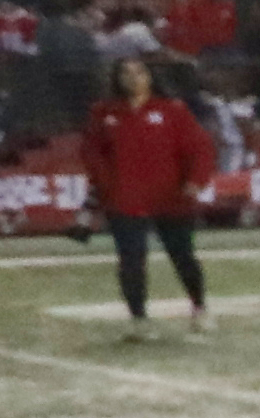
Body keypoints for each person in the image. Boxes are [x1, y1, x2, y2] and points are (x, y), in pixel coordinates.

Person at [78, 47, 215, 328]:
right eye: (125, 73)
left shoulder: (172, 110)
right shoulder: (104, 113)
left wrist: (195, 182)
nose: (133, 78)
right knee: (131, 259)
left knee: (182, 255)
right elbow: (92, 152)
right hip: (124, 198)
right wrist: (106, 184)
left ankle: (199, 306)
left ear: (151, 77)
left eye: (139, 72)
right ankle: (138, 317)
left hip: (170, 196)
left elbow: (200, 148)